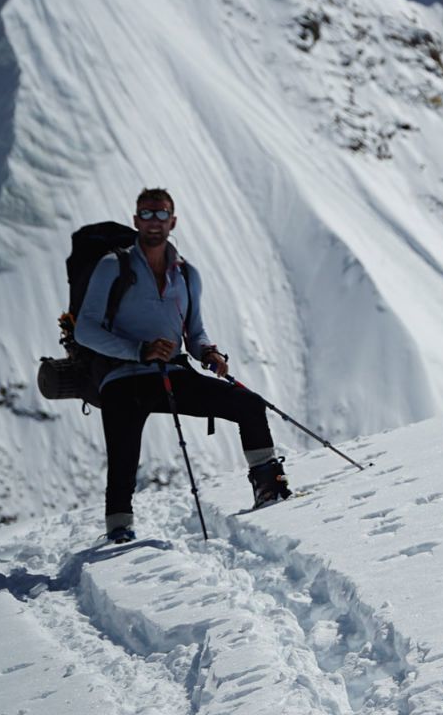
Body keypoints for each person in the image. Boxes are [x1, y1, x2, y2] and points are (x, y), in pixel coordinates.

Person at [74, 187, 290, 542]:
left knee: (248, 404)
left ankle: (269, 487)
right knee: (123, 456)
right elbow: (85, 329)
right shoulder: (113, 266)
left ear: (173, 221)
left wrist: (208, 353)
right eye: (146, 214)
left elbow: (195, 331)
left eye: (161, 215)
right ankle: (119, 531)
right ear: (135, 221)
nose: (153, 221)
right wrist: (138, 350)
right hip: (121, 376)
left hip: (171, 373)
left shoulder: (187, 274)